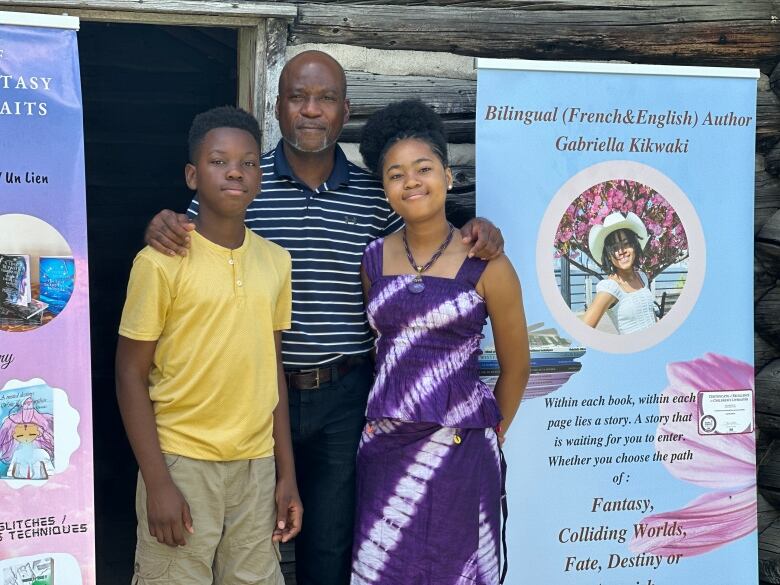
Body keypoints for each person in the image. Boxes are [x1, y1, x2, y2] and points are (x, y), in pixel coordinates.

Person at [143, 50, 504, 585]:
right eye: (297, 97)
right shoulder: (243, 181)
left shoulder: (376, 196)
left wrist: (480, 229)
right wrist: (161, 223)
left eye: (326, 98)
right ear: (278, 105)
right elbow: (184, 245)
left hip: (345, 394)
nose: (311, 110)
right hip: (254, 400)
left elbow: (429, 239)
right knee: (249, 537)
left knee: (332, 541)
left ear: (344, 110)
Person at [116, 106, 301, 584]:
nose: (236, 171)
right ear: (192, 175)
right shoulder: (161, 261)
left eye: (249, 162)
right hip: (182, 461)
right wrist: (158, 483)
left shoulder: (276, 262)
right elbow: (130, 374)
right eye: (219, 161)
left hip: (256, 467)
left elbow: (272, 369)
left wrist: (286, 474)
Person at [351, 100, 529, 585]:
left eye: (423, 168)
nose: (411, 181)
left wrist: (491, 431)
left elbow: (517, 367)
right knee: (385, 569)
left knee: (458, 570)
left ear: (448, 177)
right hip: (386, 450)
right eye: (396, 174)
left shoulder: (488, 264)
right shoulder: (373, 261)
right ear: (385, 189)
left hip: (462, 449)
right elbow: (382, 350)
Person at [583, 211, 657, 334]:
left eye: (626, 244)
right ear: (608, 255)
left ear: (635, 246)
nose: (621, 251)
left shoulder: (642, 277)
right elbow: (582, 332)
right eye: (614, 248)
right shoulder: (610, 288)